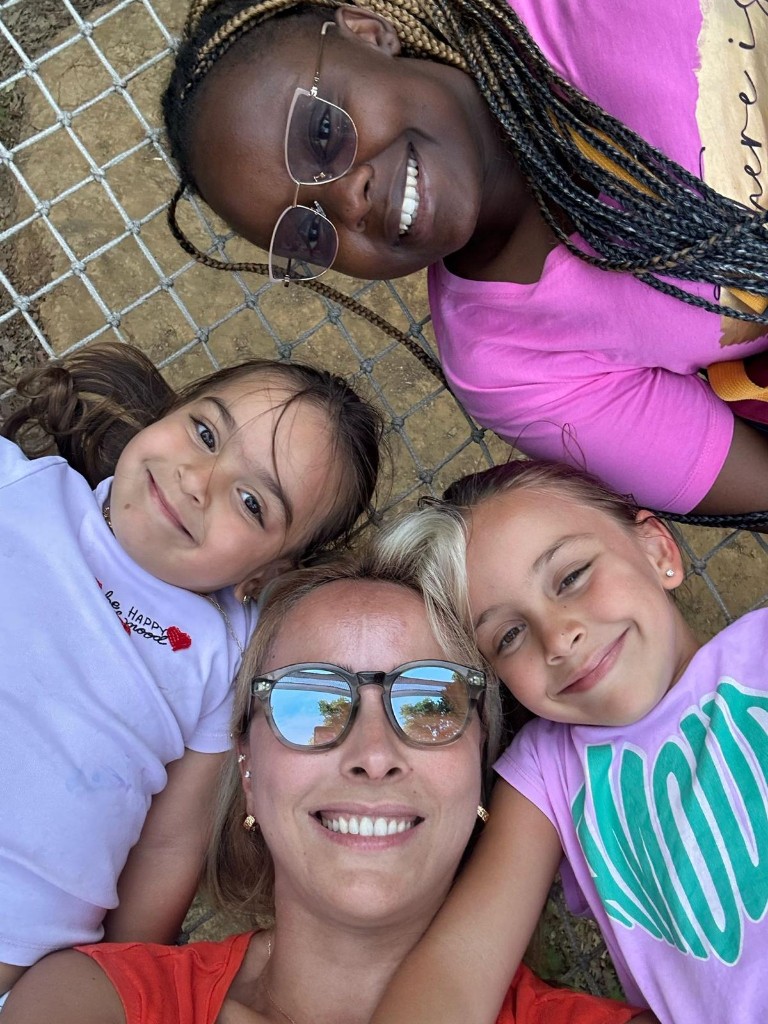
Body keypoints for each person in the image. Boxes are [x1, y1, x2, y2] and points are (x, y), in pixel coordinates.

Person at [160, 0, 768, 521]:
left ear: (369, 32)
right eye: (309, 232)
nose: (348, 200)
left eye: (322, 134)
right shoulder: (506, 365)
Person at [1, 554, 657, 1024]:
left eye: (430, 704)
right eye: (309, 702)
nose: (374, 755)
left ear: (481, 769)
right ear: (248, 773)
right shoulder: (93, 1001)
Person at [0, 341, 382, 998]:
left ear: (267, 571)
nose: (197, 481)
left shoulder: (225, 657)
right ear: (167, 413)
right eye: (204, 433)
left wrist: (121, 985)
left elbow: (170, 845)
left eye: (252, 502)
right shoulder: (19, 487)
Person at [366, 459, 768, 1024]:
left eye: (572, 577)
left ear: (658, 550)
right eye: (509, 635)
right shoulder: (546, 772)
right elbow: (457, 970)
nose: (557, 639)